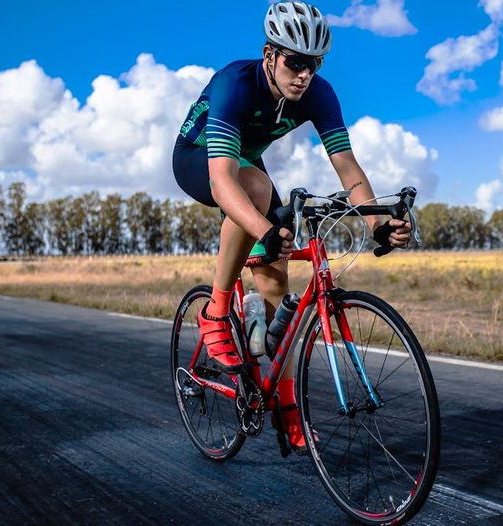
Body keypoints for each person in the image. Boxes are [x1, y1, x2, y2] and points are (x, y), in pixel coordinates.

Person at [172, 1, 411, 453]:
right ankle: (216, 311)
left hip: (247, 164)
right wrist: (262, 230)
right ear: (269, 55)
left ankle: (285, 410)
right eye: (295, 62)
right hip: (200, 155)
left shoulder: (319, 94)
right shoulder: (234, 84)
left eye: (314, 64)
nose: (304, 74)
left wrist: (379, 224)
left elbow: (348, 168)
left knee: (278, 291)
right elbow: (224, 182)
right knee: (258, 192)